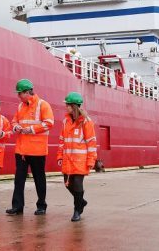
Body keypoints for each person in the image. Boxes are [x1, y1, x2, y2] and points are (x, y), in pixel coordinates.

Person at [6, 79, 54, 216]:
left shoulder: (43, 105)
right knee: (19, 180)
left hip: (37, 151)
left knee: (39, 179)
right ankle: (17, 206)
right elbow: (14, 120)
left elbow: (49, 123)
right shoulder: (21, 106)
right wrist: (16, 126)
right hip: (21, 150)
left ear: (28, 92)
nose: (18, 96)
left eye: (20, 93)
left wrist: (31, 129)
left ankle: (41, 206)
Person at [57, 92, 97, 222]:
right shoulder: (65, 121)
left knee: (78, 184)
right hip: (68, 159)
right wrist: (59, 156)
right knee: (67, 184)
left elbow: (91, 142)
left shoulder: (86, 122)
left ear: (73, 106)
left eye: (67, 105)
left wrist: (91, 160)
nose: (66, 107)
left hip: (80, 160)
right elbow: (62, 140)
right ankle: (81, 201)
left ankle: (77, 211)